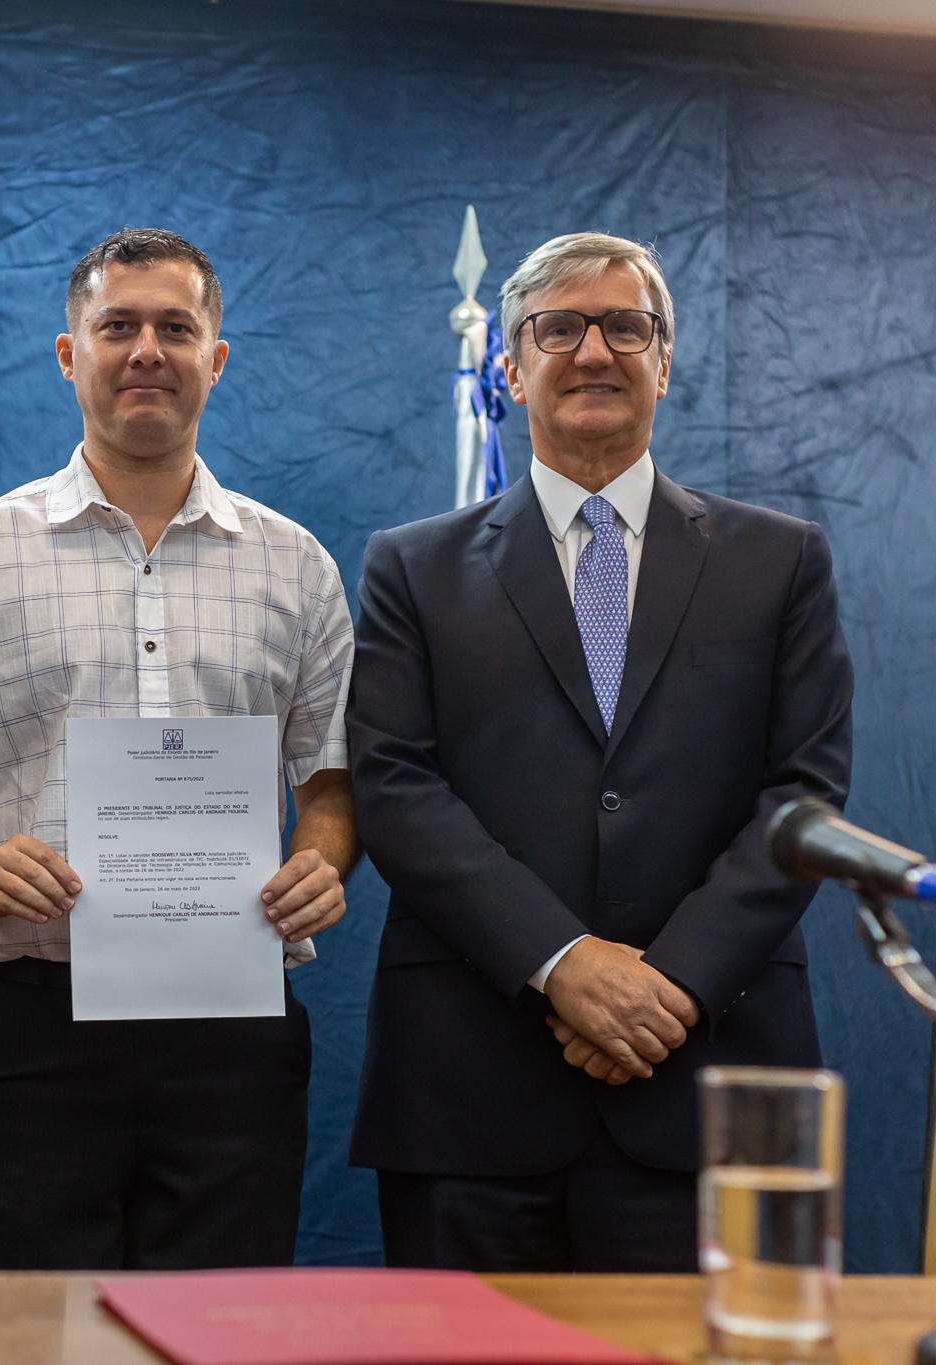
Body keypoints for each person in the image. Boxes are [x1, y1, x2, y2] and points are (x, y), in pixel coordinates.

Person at [347, 232, 852, 1271]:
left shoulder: (778, 562)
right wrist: (564, 963)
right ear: (509, 364)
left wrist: (663, 986)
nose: (591, 351)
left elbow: (801, 795)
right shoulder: (412, 569)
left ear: (663, 362)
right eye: (557, 328)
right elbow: (393, 784)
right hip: (470, 1093)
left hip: (706, 1075)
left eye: (625, 327)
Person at [0, 228, 358, 1270]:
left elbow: (330, 778)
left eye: (174, 328)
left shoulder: (298, 566)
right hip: (33, 1026)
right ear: (67, 353)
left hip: (234, 1031)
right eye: (117, 326)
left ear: (214, 358)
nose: (146, 349)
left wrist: (322, 861)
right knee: (19, 1337)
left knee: (222, 1339)